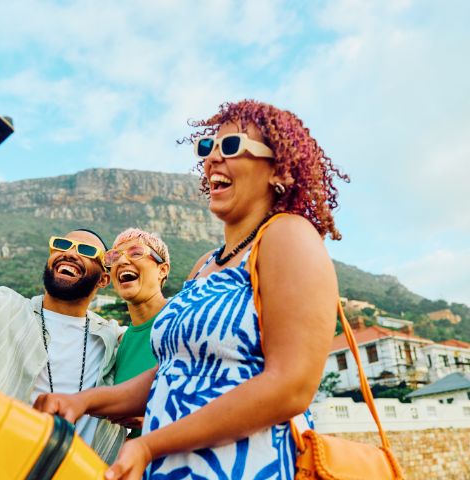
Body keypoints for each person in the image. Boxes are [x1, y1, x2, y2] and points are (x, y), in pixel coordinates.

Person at [33, 100, 347, 479]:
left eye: (230, 147)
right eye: (207, 148)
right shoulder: (204, 266)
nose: (213, 158)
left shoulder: (287, 235)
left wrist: (151, 444)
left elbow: (291, 387)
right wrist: (80, 402)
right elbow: (172, 373)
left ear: (278, 169)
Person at [0, 181, 123, 462]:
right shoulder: (3, 310)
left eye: (86, 251)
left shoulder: (113, 338)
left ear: (104, 278)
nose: (70, 252)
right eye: (63, 244)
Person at [104, 228, 170, 439]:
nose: (122, 261)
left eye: (135, 253)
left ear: (162, 270)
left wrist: (155, 418)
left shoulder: (186, 320)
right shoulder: (119, 343)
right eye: (115, 257)